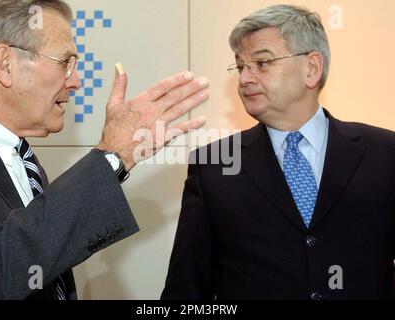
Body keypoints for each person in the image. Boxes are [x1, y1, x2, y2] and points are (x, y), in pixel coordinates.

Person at [161, 4, 395, 300]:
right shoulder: (215, 164)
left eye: (262, 63)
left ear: (312, 68)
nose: (245, 78)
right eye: (240, 65)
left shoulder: (385, 153)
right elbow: (186, 290)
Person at [0, 0, 209, 299]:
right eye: (66, 63)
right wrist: (113, 156)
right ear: (5, 63)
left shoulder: (22, 159)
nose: (75, 82)